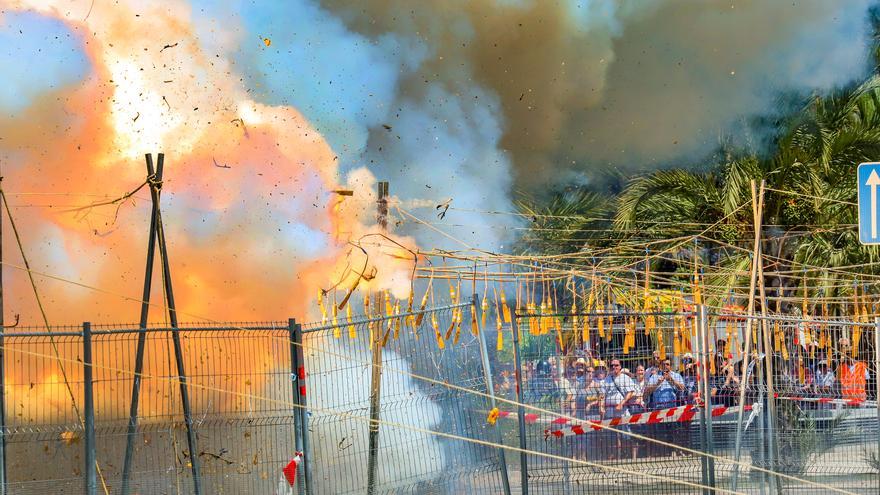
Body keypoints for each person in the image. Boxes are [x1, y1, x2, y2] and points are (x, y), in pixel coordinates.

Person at [644, 358, 686, 457]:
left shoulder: (676, 375)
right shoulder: (654, 377)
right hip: (659, 409)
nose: (665, 366)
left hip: (672, 409)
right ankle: (663, 453)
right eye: (663, 364)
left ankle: (674, 451)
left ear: (670, 366)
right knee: (660, 433)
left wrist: (671, 380)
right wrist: (657, 383)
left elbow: (682, 389)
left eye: (667, 364)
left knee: (674, 432)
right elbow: (647, 391)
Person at [603, 358, 638, 460]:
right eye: (612, 365)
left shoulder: (625, 378)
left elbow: (630, 392)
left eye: (616, 365)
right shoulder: (607, 379)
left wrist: (621, 404)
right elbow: (602, 394)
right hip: (609, 412)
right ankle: (616, 457)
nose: (614, 367)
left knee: (626, 434)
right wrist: (602, 406)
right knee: (613, 436)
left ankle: (628, 456)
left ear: (620, 367)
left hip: (622, 411)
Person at [837, 337, 869, 402]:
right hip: (847, 399)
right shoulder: (841, 368)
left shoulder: (861, 366)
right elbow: (838, 382)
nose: (848, 356)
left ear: (853, 355)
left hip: (860, 398)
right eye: (847, 354)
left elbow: (867, 381)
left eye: (850, 354)